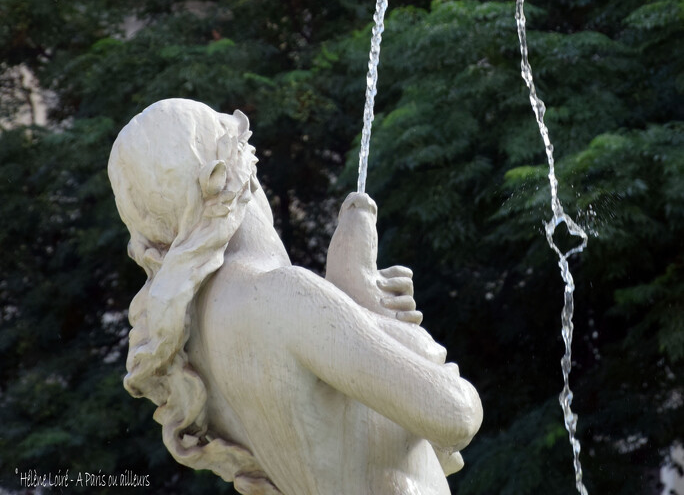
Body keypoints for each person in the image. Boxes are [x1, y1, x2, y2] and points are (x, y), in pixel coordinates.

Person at [108, 98, 482, 495]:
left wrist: (354, 303)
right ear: (237, 172)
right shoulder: (282, 294)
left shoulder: (195, 339)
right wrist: (366, 304)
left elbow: (338, 436)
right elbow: (455, 416)